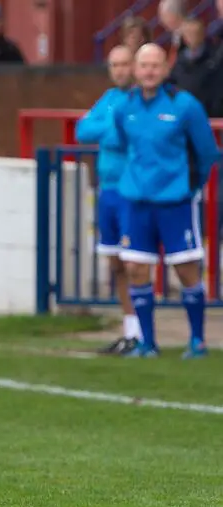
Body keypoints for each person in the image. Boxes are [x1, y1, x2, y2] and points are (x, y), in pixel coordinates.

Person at [112, 44, 219, 358]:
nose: (149, 71)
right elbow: (121, 143)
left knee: (186, 269)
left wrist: (190, 186)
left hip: (175, 201)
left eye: (155, 65)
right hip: (136, 201)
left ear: (165, 68)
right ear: (135, 68)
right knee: (134, 267)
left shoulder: (185, 106)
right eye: (144, 65)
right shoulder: (124, 108)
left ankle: (197, 340)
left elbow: (207, 151)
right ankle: (148, 343)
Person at [75, 45, 140, 355]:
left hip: (132, 190)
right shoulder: (110, 98)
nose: (119, 70)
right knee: (115, 263)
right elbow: (83, 130)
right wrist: (112, 127)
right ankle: (130, 329)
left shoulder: (142, 100)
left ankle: (143, 330)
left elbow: (124, 136)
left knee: (135, 261)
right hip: (108, 190)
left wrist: (110, 130)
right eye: (114, 65)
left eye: (125, 64)